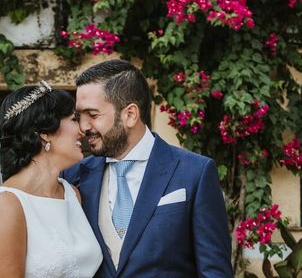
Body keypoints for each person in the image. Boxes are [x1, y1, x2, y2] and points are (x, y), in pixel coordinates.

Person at [62, 60, 233, 278]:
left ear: (130, 114)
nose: (83, 127)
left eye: (93, 115)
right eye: (79, 117)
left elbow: (214, 272)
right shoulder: (73, 175)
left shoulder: (195, 173)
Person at [0, 81, 103, 278]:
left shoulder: (73, 194)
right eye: (74, 119)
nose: (83, 129)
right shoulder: (7, 205)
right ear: (45, 133)